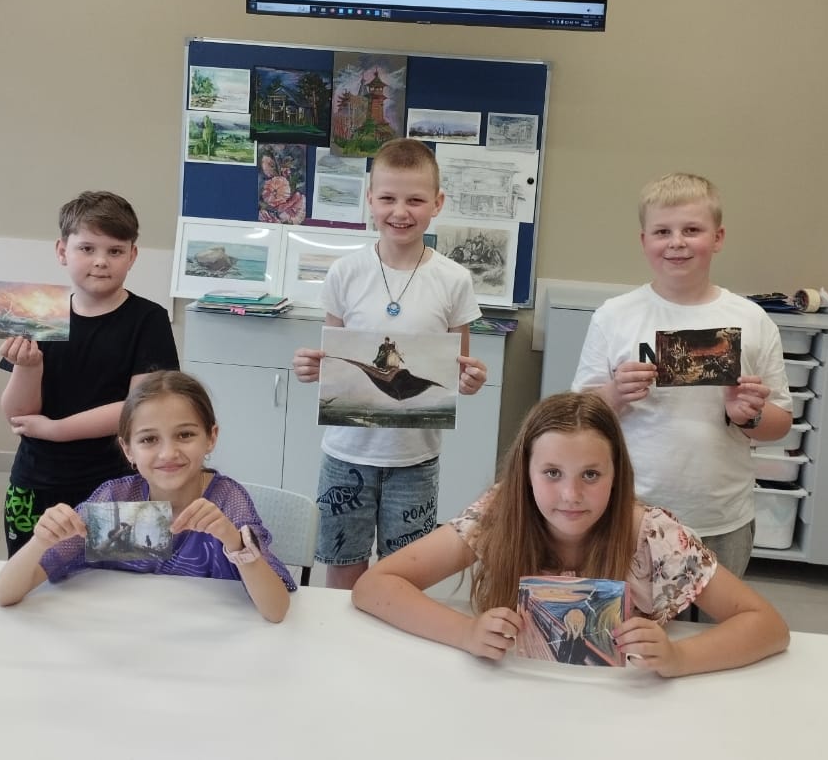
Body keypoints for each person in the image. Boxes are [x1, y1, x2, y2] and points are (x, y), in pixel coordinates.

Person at [352, 392, 789, 677]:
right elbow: (375, 585)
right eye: (552, 473)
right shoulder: (499, 513)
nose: (571, 495)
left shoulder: (654, 535)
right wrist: (467, 633)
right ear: (525, 473)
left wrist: (680, 656)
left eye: (591, 475)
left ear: (617, 475)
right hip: (514, 699)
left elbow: (768, 625)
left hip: (620, 708)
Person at [572, 173, 793, 578]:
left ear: (718, 237)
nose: (677, 242)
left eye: (692, 230)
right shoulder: (614, 317)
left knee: (716, 617)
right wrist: (615, 394)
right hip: (629, 511)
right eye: (663, 231)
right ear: (644, 241)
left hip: (720, 517)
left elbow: (780, 424)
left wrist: (749, 416)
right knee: (629, 615)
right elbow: (578, 416)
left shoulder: (752, 320)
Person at [293, 138, 487, 590]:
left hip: (415, 458)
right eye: (388, 198)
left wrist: (472, 379)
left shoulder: (454, 280)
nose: (400, 211)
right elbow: (332, 355)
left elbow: (458, 369)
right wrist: (312, 368)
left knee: (403, 574)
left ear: (437, 203)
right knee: (343, 565)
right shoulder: (345, 272)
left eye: (415, 200)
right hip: (346, 453)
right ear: (370, 199)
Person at [0, 371, 295, 622]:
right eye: (149, 439)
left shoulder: (228, 502)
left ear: (211, 437)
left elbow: (276, 610)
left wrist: (235, 542)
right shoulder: (117, 500)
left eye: (185, 435)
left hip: (204, 641)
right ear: (128, 450)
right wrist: (42, 540)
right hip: (128, 638)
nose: (168, 453)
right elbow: (5, 593)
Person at [0, 190, 180, 557]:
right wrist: (28, 367)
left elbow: (140, 409)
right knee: (34, 576)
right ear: (62, 251)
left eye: (115, 251)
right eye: (86, 248)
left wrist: (56, 429)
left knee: (124, 577)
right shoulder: (37, 313)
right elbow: (18, 415)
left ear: (133, 255)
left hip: (122, 481)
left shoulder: (149, 319)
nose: (100, 261)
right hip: (37, 479)